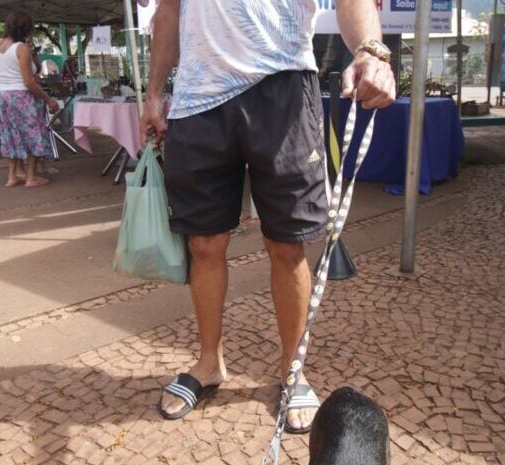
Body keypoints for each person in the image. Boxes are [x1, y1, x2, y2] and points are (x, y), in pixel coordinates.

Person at [140, 0, 395, 432]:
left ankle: (291, 370)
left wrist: (370, 50)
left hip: (284, 91)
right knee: (203, 243)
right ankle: (209, 363)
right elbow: (169, 11)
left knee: (286, 243)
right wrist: (152, 93)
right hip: (198, 98)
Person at [0, 10, 60, 188]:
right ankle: (31, 177)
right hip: (22, 97)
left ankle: (12, 176)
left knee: (9, 134)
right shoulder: (21, 48)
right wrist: (48, 99)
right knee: (33, 134)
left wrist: (6, 75)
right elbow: (28, 81)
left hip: (2, 95)